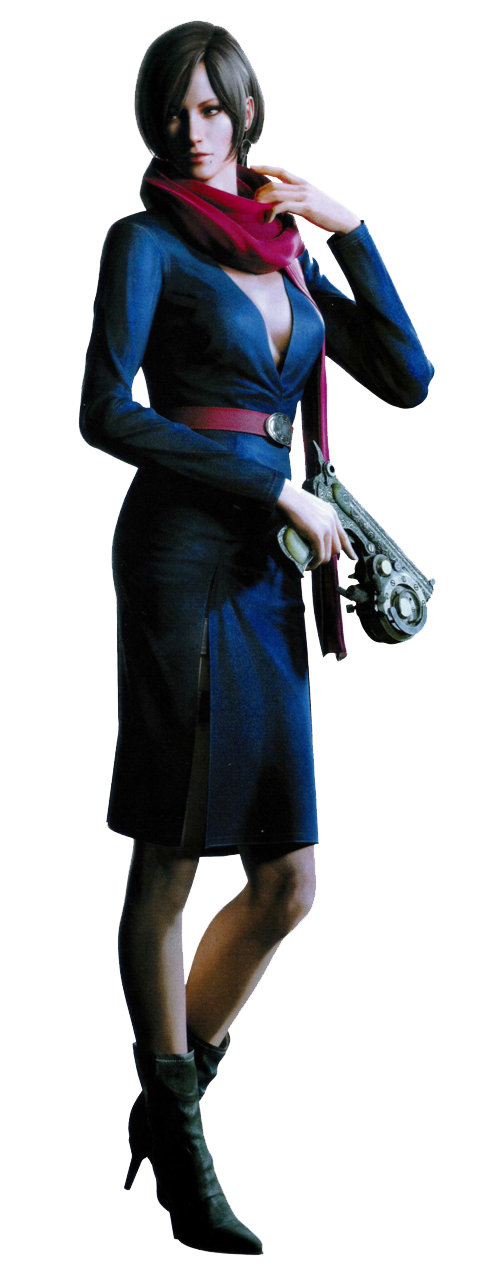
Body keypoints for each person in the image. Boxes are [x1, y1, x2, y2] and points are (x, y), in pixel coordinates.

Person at [79, 20, 434, 1256]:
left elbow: (410, 375)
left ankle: (164, 1099)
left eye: (213, 109)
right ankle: (185, 1150)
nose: (195, 131)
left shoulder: (286, 253)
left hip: (268, 570)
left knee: (289, 881)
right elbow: (103, 412)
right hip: (182, 557)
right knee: (173, 848)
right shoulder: (144, 243)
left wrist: (351, 227)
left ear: (245, 111)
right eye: (174, 111)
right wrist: (266, 482)